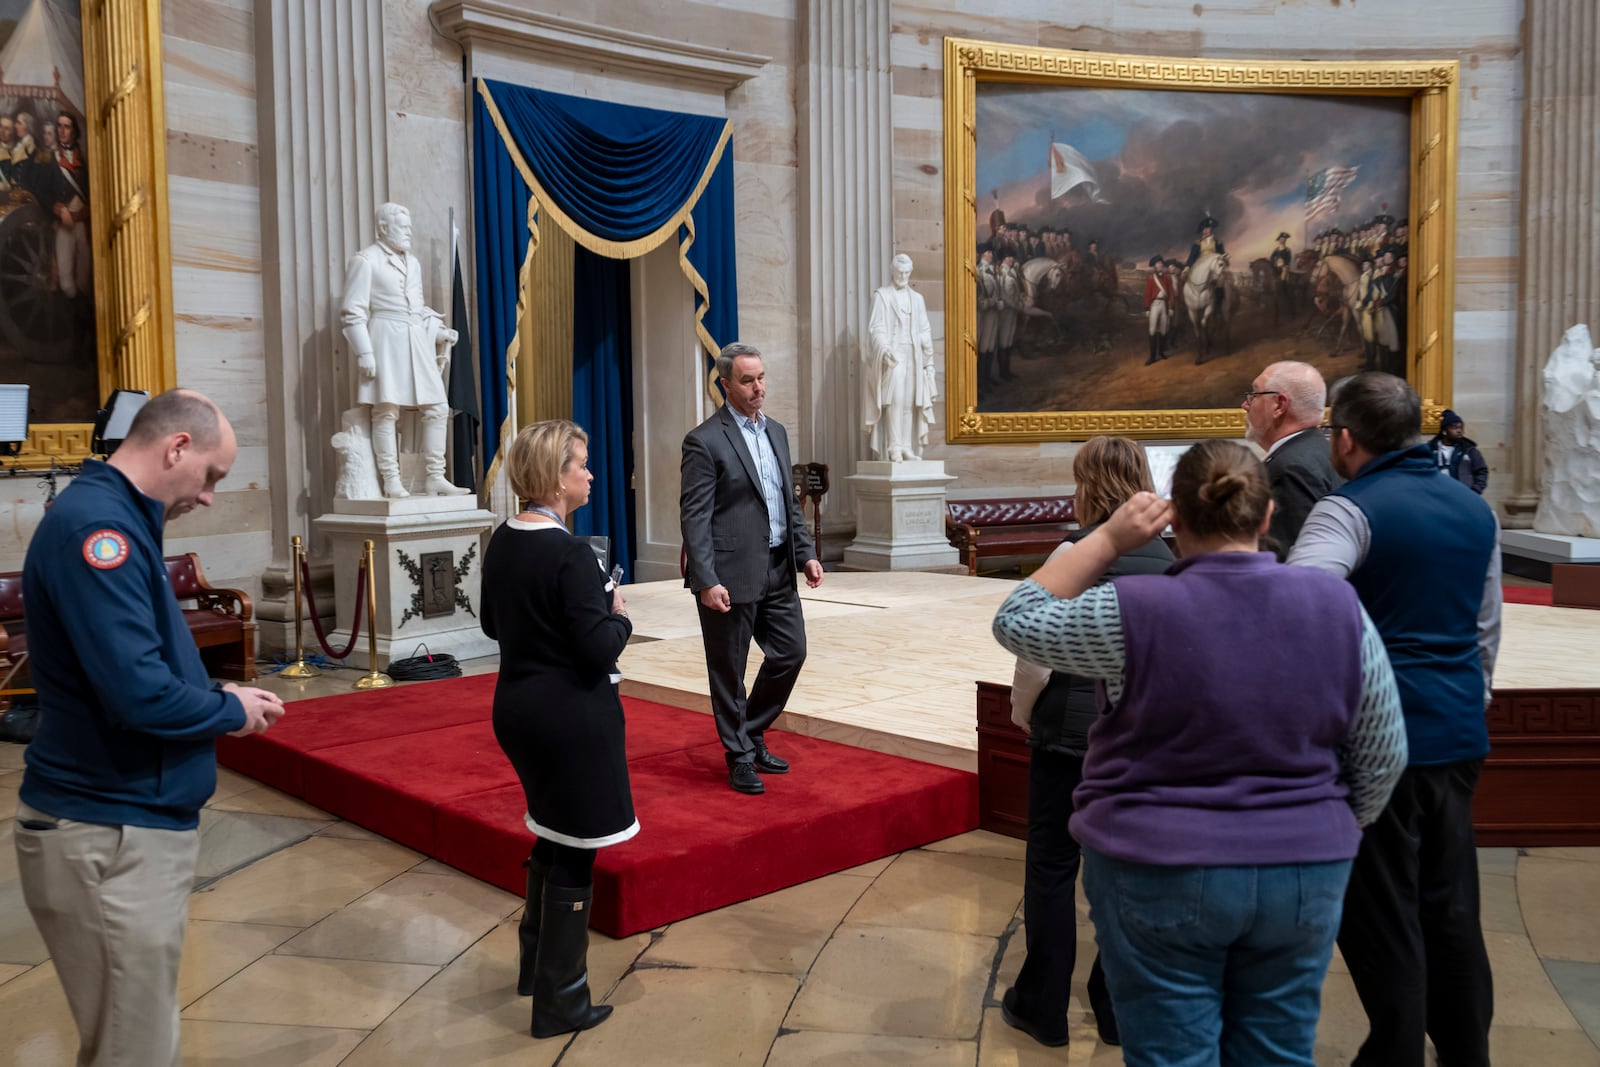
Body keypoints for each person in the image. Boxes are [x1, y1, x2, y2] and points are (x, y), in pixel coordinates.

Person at [992, 439, 1406, 1067]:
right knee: (1276, 1050)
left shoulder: (1134, 610)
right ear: (1267, 518)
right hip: (1302, 866)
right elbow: (1382, 749)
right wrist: (1331, 824)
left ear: (1173, 517)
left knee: (1170, 1052)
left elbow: (1018, 619)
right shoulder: (1336, 605)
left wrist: (1105, 538)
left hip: (1159, 862)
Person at [12, 389, 286, 1067]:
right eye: (213, 476)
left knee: (132, 1037)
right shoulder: (96, 530)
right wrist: (232, 712)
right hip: (107, 828)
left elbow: (139, 658)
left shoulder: (118, 516)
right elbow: (136, 694)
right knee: (134, 1051)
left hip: (125, 822)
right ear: (176, 448)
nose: (211, 495)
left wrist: (216, 686)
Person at [1289, 372, 1502, 1067]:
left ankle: (1397, 1054)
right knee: (1452, 910)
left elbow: (1302, 607)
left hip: (1378, 743)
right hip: (1459, 733)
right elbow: (1484, 629)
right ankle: (1468, 1053)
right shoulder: (1477, 512)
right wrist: (1469, 700)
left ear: (1345, 438)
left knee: (1383, 921)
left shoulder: (1346, 510)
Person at [1000, 436, 1173, 1050]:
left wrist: (1024, 714)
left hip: (1069, 732)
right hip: (1138, 739)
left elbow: (1033, 652)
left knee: (1051, 866)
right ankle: (1113, 1005)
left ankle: (1042, 1005)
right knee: (1124, 872)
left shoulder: (1076, 550)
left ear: (1087, 484)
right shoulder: (1169, 557)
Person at [480, 418, 635, 1039]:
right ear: (554, 477)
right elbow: (599, 650)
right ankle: (562, 1000)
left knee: (551, 834)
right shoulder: (569, 553)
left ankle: (534, 969)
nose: (591, 474)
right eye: (581, 464)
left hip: (517, 708)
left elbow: (493, 626)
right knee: (576, 849)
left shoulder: (504, 540)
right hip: (571, 718)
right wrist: (618, 614)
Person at [680, 342, 824, 794]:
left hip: (778, 568)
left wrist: (806, 554)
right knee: (728, 670)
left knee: (790, 652)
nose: (759, 387)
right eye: (748, 380)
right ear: (725, 384)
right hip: (729, 572)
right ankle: (740, 755)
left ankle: (751, 731)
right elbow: (695, 516)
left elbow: (788, 504)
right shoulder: (704, 440)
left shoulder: (777, 432)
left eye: (761, 377)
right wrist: (706, 580)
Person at [339, 201, 470, 499]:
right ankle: (391, 479)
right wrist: (364, 352)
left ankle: (435, 475)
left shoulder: (413, 262)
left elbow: (416, 307)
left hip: (414, 339)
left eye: (411, 227)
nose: (409, 232)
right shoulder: (366, 260)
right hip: (384, 338)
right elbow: (351, 312)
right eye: (403, 227)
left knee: (437, 407)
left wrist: (438, 331)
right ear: (383, 228)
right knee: (386, 410)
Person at [1243, 360, 1344, 558]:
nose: (1245, 405)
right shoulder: (1323, 450)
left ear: (1279, 405)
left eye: (1254, 395)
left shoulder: (1290, 470)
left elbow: (1292, 563)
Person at [864, 253, 938, 461]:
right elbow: (876, 328)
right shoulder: (882, 296)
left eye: (906, 273)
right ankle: (894, 446)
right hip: (893, 356)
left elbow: (924, 330)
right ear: (892, 272)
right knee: (894, 401)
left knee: (909, 402)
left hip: (913, 355)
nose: (903, 276)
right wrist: (885, 349)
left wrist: (929, 360)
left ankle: (906, 445)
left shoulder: (917, 299)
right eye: (899, 273)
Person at [1429, 409, 1488, 494]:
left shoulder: (1469, 449)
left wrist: (1475, 491)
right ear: (1444, 431)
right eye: (1454, 428)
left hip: (1463, 496)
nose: (1459, 431)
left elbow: (1482, 472)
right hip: (1437, 496)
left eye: (1460, 427)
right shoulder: (1430, 449)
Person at [1142, 256, 1176, 366]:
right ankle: (1152, 357)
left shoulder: (1167, 278)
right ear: (1154, 266)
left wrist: (1171, 307)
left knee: (1163, 329)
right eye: (1157, 264)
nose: (1159, 265)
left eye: (1161, 263)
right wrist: (1147, 308)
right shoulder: (1151, 278)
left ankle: (1161, 353)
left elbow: (1171, 293)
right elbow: (1147, 294)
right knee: (1152, 330)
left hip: (1164, 305)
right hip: (1154, 305)